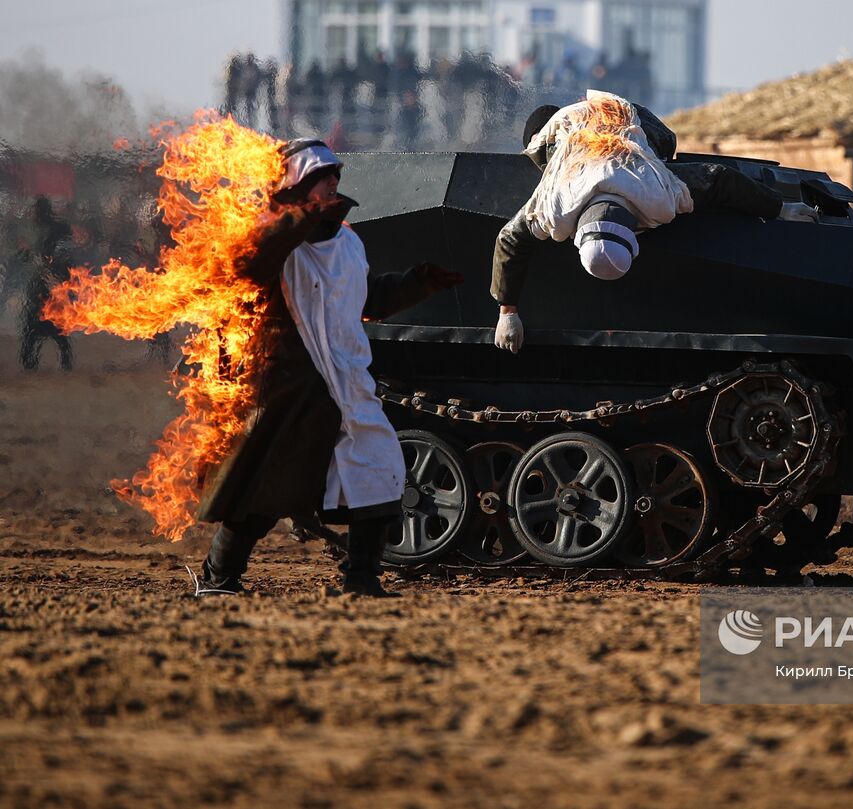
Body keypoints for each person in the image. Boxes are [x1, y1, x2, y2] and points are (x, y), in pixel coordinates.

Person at [196, 139, 464, 596]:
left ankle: (361, 579)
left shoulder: (349, 242)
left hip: (348, 380)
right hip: (289, 386)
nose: (333, 185)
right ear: (298, 188)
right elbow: (246, 269)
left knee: (376, 471)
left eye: (335, 178)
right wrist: (300, 218)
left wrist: (417, 284)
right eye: (322, 179)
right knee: (263, 492)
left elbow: (366, 299)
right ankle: (218, 578)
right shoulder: (271, 240)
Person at [490, 91, 818, 353]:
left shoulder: (647, 193)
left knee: (664, 142)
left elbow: (510, 239)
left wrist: (509, 313)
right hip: (587, 119)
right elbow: (719, 181)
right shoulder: (573, 199)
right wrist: (780, 210)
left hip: (615, 114)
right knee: (658, 145)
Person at [19, 197, 75, 371]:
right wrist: (27, 253)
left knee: (52, 323)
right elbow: (28, 257)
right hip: (43, 282)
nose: (33, 214)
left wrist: (52, 271)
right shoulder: (40, 230)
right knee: (37, 324)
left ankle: (60, 362)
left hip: (54, 283)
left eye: (35, 210)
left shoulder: (58, 229)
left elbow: (64, 254)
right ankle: (31, 361)